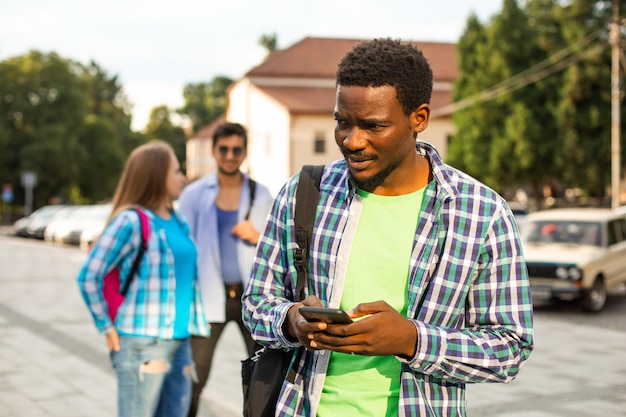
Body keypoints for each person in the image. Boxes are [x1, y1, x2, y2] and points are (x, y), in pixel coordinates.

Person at [242, 38, 534, 417]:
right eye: (342, 122)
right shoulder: (305, 192)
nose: (352, 140)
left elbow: (509, 347)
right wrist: (292, 320)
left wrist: (411, 339)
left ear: (420, 119)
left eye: (373, 126)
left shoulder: (481, 213)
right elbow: (256, 304)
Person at [77, 140, 209, 417]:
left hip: (181, 341)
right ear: (157, 175)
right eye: (176, 171)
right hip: (142, 344)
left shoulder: (179, 220)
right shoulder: (131, 221)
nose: (182, 177)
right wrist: (106, 327)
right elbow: (89, 276)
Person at [177, 122, 274, 417]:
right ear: (214, 151)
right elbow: (182, 250)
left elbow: (278, 246)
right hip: (209, 298)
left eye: (236, 150)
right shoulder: (194, 195)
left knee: (264, 376)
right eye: (224, 149)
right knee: (195, 376)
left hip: (252, 298)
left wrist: (257, 235)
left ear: (244, 152)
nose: (230, 156)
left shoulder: (262, 194)